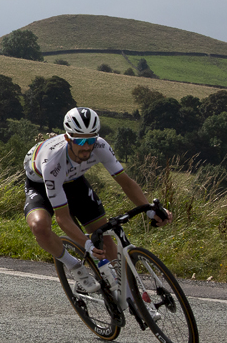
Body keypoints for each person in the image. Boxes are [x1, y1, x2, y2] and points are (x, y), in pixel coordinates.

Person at [23, 106, 172, 293]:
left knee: (104, 237)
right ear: (68, 138)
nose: (87, 146)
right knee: (39, 226)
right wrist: (87, 246)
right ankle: (75, 267)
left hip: (75, 183)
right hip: (41, 185)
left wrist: (150, 209)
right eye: (81, 141)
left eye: (91, 139)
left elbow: (126, 183)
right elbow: (63, 217)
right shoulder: (52, 162)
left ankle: (122, 291)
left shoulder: (100, 146)